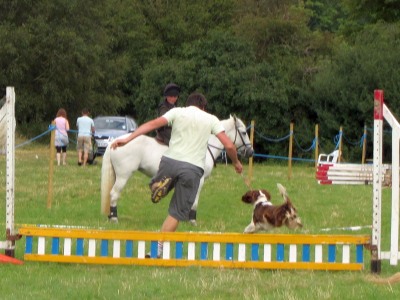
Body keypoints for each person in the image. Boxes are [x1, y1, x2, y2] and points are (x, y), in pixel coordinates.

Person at [111, 92, 243, 257]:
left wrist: (128, 139)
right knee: (176, 213)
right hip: (192, 169)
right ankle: (157, 249)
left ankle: (157, 186)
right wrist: (236, 163)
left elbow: (152, 124)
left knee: (160, 182)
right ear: (203, 107)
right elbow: (229, 146)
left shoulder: (177, 112)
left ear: (188, 104)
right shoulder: (211, 119)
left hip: (169, 162)